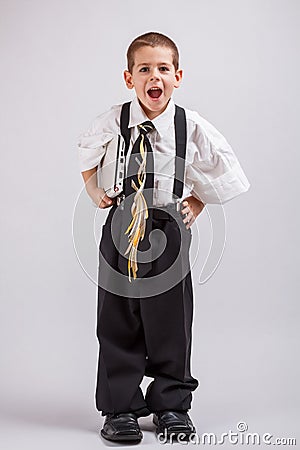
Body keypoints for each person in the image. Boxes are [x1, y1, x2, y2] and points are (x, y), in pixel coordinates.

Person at [77, 32, 250, 443]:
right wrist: (94, 190)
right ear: (129, 77)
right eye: (144, 69)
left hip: (167, 229)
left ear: (178, 76)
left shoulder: (189, 125)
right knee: (118, 316)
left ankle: (171, 404)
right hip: (121, 225)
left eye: (163, 69)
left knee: (170, 319)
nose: (154, 76)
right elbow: (86, 154)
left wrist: (198, 201)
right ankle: (120, 407)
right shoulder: (113, 120)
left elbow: (224, 167)